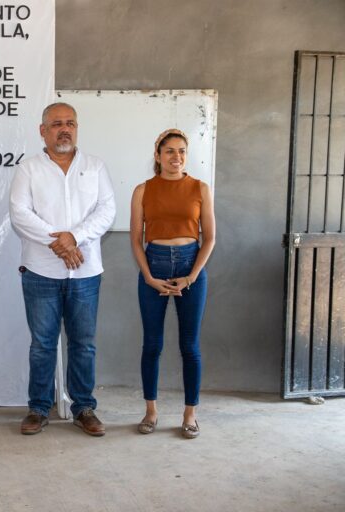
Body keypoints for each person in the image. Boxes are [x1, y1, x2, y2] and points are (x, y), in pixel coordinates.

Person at [10, 102, 116, 436]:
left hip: (85, 273)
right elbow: (20, 213)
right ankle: (38, 409)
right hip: (41, 270)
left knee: (83, 343)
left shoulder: (95, 166)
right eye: (56, 123)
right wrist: (58, 243)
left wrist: (75, 237)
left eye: (70, 122)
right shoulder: (28, 168)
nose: (64, 129)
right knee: (42, 344)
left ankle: (83, 407)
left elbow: (107, 210)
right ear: (43, 130)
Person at [129, 128, 216, 439]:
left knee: (189, 346)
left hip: (191, 266)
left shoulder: (200, 188)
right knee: (152, 345)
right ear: (157, 156)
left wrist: (191, 276)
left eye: (181, 151)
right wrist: (150, 277)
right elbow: (136, 241)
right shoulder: (142, 190)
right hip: (154, 265)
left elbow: (210, 239)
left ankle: (190, 414)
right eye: (169, 151)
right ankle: (151, 411)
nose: (176, 157)